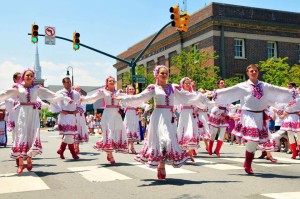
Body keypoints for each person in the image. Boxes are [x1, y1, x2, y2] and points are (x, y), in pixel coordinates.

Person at [117, 65, 209, 179]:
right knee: (161, 140)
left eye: (166, 73)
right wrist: (124, 98)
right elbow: (140, 97)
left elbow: (187, 95)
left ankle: (162, 164)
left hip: (169, 118)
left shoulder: (173, 87)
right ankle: (161, 165)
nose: (164, 75)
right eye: (162, 73)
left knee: (168, 140)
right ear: (157, 74)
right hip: (158, 117)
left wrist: (202, 96)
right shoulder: (153, 88)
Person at [212, 64, 296, 174]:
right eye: (251, 71)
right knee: (252, 138)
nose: (254, 72)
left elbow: (277, 90)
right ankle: (248, 162)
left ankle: (248, 161)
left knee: (256, 140)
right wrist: (216, 93)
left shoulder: (264, 86)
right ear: (247, 73)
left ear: (258, 72)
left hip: (260, 115)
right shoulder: (242, 86)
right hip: (248, 114)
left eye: (255, 71)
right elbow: (230, 91)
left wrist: (292, 92)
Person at [0, 69, 70, 174]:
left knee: (32, 135)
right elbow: (5, 94)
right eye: (27, 75)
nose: (29, 77)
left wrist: (62, 97)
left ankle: (29, 160)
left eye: (31, 75)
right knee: (21, 136)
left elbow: (50, 95)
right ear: (23, 76)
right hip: (22, 113)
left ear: (33, 77)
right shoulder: (17, 88)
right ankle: (20, 164)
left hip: (33, 114)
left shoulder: (37, 88)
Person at [81, 76, 128, 164]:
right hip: (107, 114)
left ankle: (109, 152)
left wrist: (141, 103)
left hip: (117, 114)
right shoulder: (103, 92)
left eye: (113, 81)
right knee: (109, 132)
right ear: (106, 82)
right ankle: (110, 154)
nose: (112, 82)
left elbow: (128, 98)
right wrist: (84, 99)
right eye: (110, 81)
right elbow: (93, 97)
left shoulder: (119, 92)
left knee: (116, 132)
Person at [49, 77, 81, 160]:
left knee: (69, 135)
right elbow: (52, 101)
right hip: (64, 115)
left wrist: (77, 110)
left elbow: (79, 103)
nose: (68, 83)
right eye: (66, 82)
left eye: (69, 82)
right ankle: (73, 153)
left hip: (72, 115)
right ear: (63, 83)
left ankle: (61, 150)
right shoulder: (60, 93)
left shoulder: (76, 93)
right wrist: (60, 110)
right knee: (69, 134)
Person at [207, 79, 230, 157]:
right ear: (218, 85)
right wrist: (219, 114)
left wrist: (225, 114)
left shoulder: (227, 93)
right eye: (221, 83)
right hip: (216, 114)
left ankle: (217, 150)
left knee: (222, 133)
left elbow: (229, 105)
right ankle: (210, 148)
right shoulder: (216, 93)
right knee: (213, 133)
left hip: (224, 114)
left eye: (223, 83)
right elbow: (214, 105)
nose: (223, 84)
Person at [73, 85, 89, 154]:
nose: (77, 90)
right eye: (75, 89)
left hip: (79, 116)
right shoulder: (71, 97)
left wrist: (77, 109)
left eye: (78, 89)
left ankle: (77, 146)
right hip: (72, 115)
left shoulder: (82, 98)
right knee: (73, 130)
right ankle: (74, 145)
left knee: (79, 129)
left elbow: (83, 108)